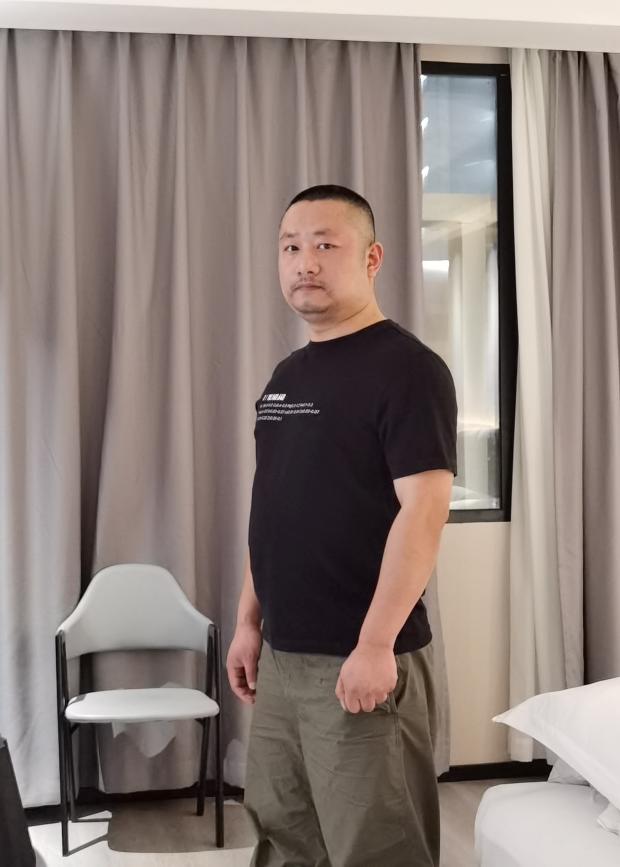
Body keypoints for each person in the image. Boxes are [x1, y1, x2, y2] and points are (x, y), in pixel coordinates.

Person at [226, 184, 457, 867]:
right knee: (282, 834)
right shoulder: (284, 377)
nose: (305, 262)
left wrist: (377, 644)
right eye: (291, 247)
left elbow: (425, 510)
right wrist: (248, 621)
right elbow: (272, 507)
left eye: (326, 244)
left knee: (376, 845)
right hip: (282, 656)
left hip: (360, 656)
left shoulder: (409, 370)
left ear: (372, 257)